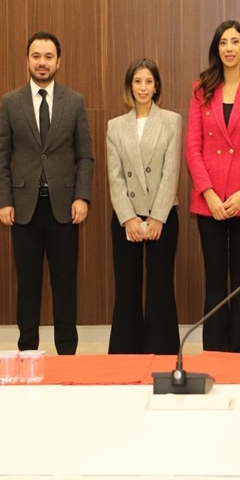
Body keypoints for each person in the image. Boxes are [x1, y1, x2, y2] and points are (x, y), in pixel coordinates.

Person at [0, 32, 94, 355]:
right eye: (36, 56)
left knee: (65, 285)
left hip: (65, 207)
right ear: (27, 60)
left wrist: (82, 197)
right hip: (23, 208)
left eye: (48, 56)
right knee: (28, 286)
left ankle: (67, 352)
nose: (42, 62)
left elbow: (85, 155)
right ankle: (27, 351)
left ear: (58, 61)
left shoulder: (74, 101)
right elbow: (1, 155)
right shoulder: (11, 102)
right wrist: (4, 200)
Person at [185, 21, 240, 352]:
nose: (230, 48)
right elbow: (193, 146)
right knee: (214, 279)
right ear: (217, 48)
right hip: (208, 201)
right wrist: (208, 192)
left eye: (235, 41)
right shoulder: (201, 88)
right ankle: (214, 350)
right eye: (224, 42)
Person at [106, 59, 182, 355]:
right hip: (127, 219)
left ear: (156, 87)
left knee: (160, 285)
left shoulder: (172, 121)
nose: (143, 87)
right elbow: (114, 177)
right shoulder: (115, 126)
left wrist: (157, 217)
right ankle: (126, 353)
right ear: (130, 86)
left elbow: (170, 171)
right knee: (127, 287)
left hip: (162, 216)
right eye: (137, 81)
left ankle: (162, 351)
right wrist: (128, 218)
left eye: (148, 81)